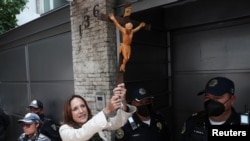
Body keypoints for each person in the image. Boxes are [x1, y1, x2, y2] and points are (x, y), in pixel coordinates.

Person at [59, 83, 137, 141]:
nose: (81, 111)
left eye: (83, 106)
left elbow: (116, 123)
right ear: (69, 113)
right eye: (75, 109)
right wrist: (107, 110)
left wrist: (123, 101)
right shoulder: (65, 130)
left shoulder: (93, 122)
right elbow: (81, 134)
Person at [180, 77, 249, 141]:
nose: (211, 102)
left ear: (232, 100)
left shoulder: (244, 123)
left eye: (217, 97)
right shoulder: (193, 122)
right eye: (207, 97)